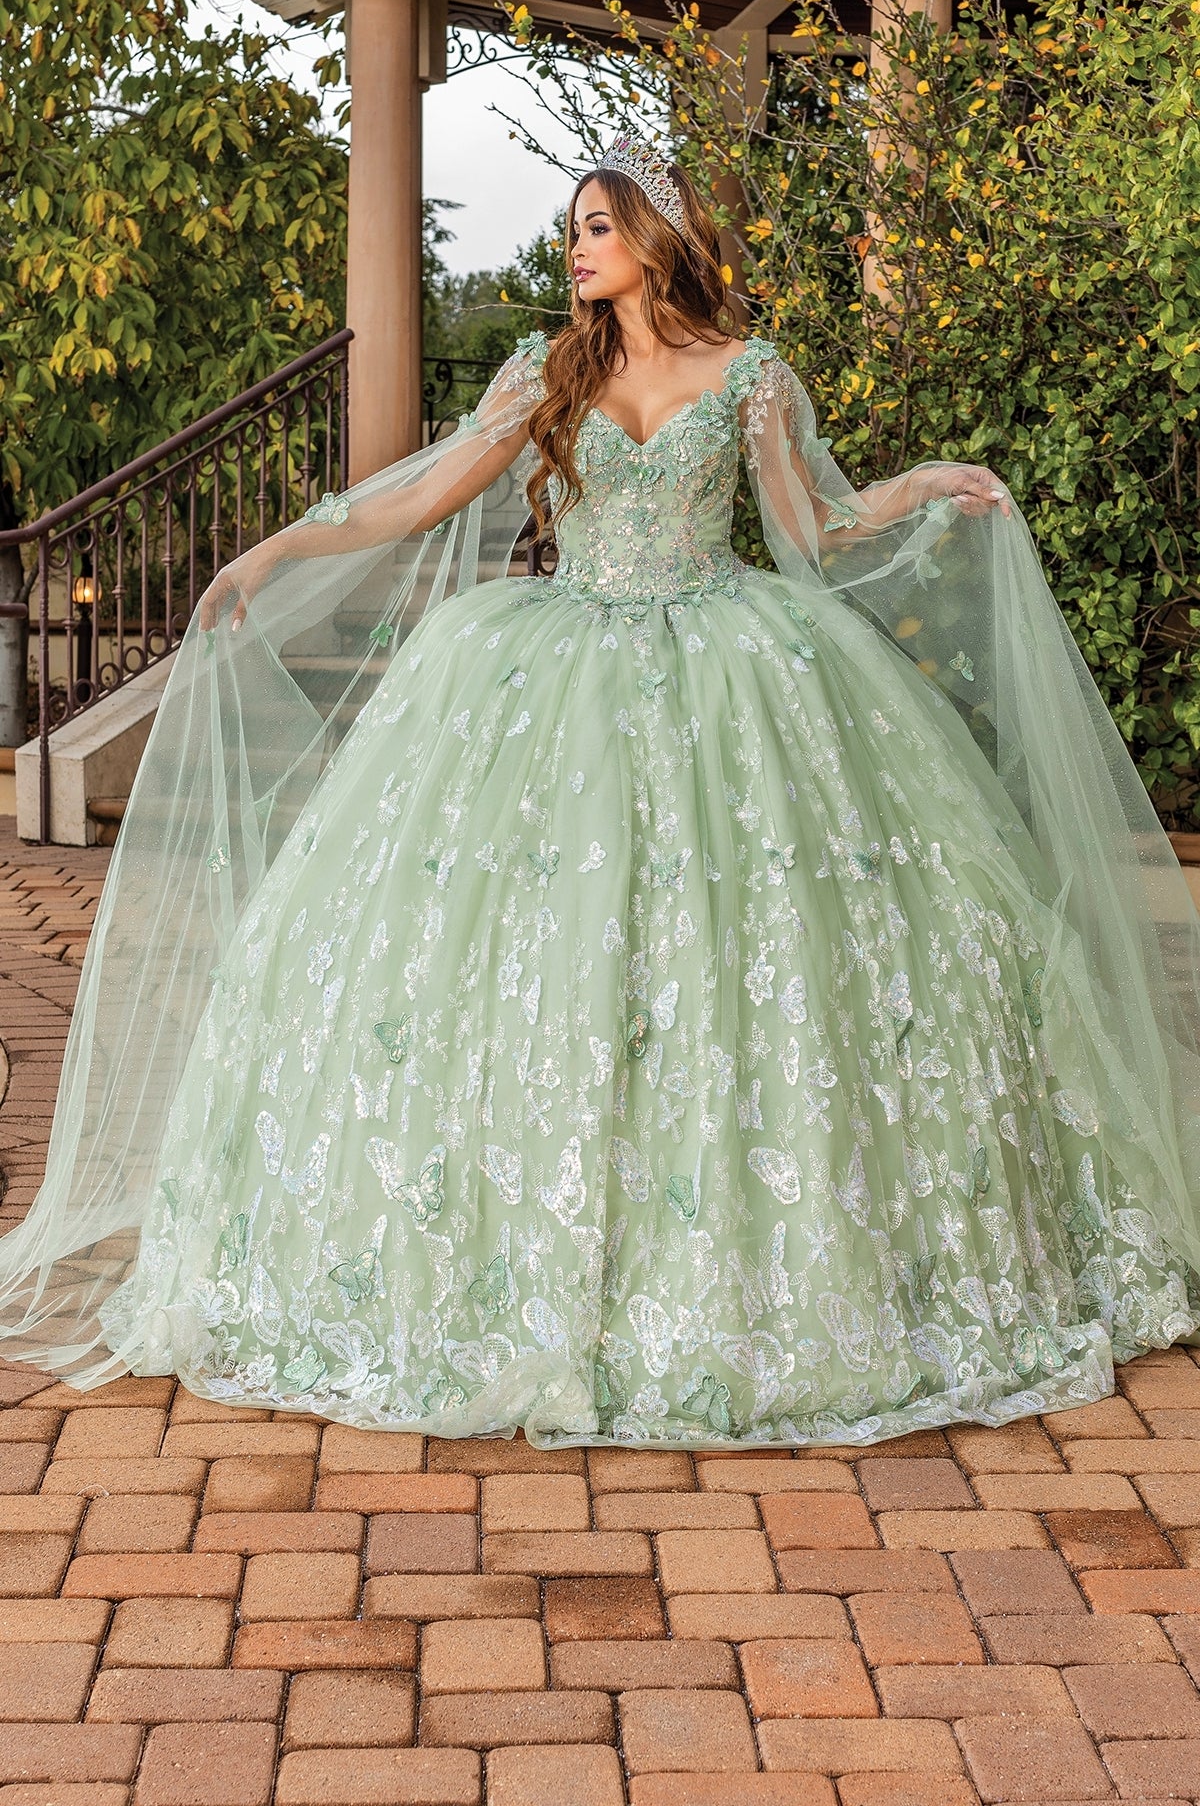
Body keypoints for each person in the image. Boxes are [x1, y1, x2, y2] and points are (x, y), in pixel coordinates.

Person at [4, 134, 1200, 1449]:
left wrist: (922, 488)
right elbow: (414, 505)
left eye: (594, 225)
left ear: (655, 237)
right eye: (571, 228)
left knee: (745, 962)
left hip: (734, 674)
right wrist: (274, 551)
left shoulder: (751, 375)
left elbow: (816, 533)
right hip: (550, 672)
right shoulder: (542, 374)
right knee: (520, 959)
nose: (573, 248)